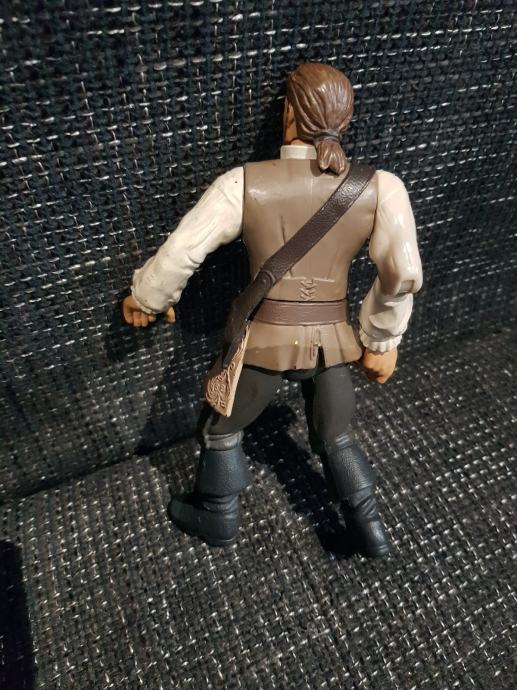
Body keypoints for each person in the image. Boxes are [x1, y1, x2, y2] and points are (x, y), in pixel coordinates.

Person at [122, 63, 423, 557]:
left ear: (288, 115)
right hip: (332, 346)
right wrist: (381, 340)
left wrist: (148, 298)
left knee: (220, 428)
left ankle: (218, 516)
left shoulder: (243, 183)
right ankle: (368, 523)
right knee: (336, 435)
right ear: (344, 119)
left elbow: (182, 251)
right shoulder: (381, 188)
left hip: (264, 342)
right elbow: (402, 273)